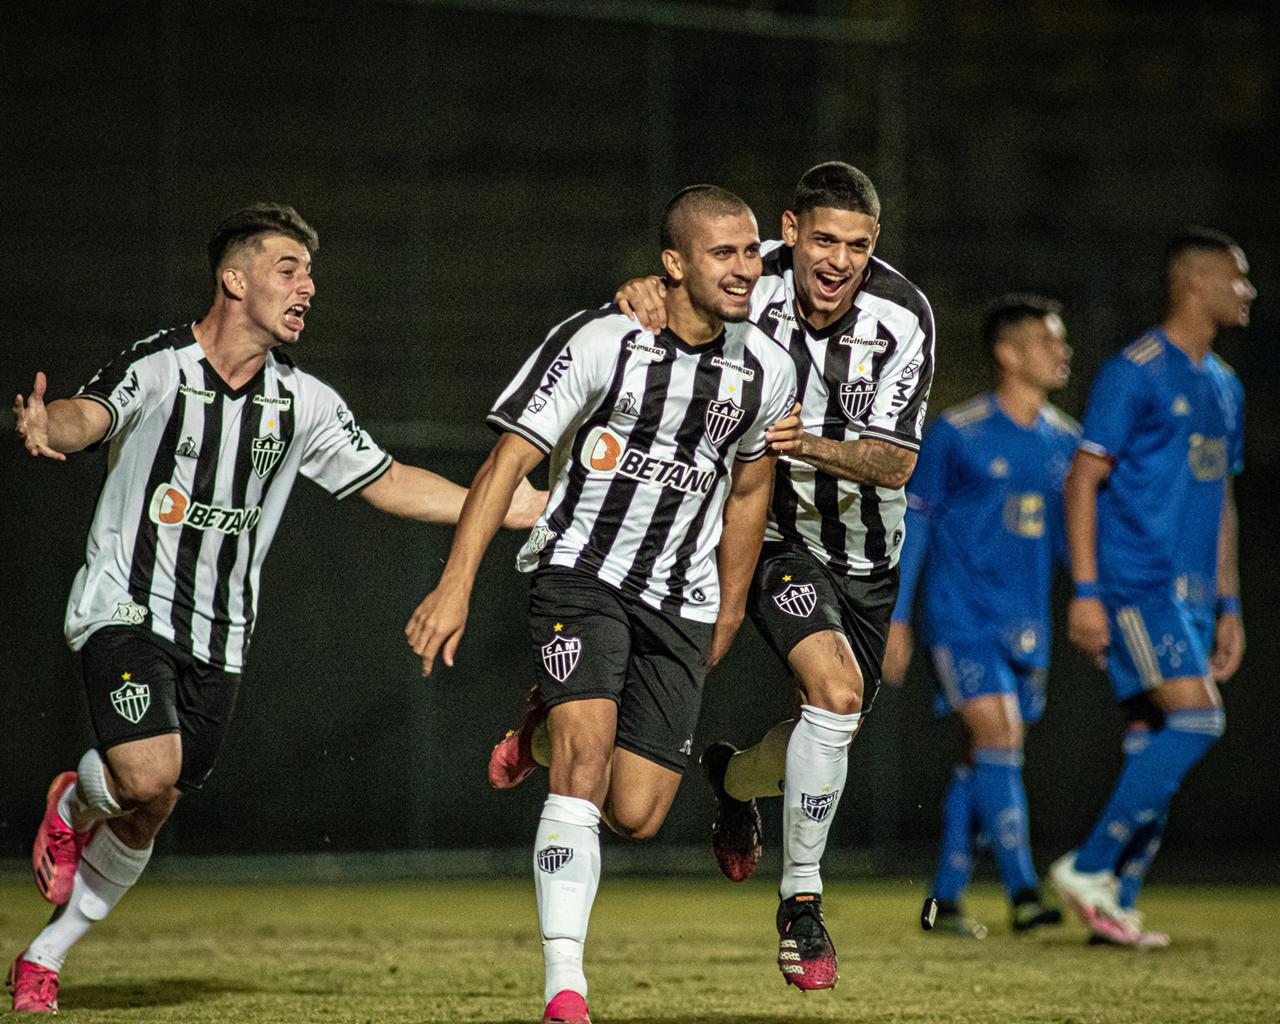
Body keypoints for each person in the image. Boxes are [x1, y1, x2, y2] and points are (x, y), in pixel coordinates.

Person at [6, 202, 544, 1015]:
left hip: (222, 639)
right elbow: (95, 412)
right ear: (235, 278)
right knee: (147, 771)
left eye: (310, 274)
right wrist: (56, 424)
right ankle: (77, 800)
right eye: (289, 269)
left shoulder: (306, 403)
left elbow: (391, 481)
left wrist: (502, 505)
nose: (308, 287)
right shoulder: (160, 365)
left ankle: (46, 953)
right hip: (126, 607)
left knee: (152, 810)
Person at [492, 162, 934, 991]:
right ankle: (801, 907)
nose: (839, 262)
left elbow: (897, 461)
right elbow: (673, 288)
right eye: (824, 240)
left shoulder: (902, 314)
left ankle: (729, 779)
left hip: (869, 554)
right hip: (765, 535)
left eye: (859, 246)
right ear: (791, 232)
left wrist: (806, 441)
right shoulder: (745, 272)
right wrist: (639, 291)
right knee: (835, 694)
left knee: (811, 734)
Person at [406, 185, 799, 1024]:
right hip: (581, 574)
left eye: (751, 251)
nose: (745, 268)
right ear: (673, 264)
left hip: (680, 599)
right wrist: (455, 583)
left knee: (636, 813)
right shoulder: (604, 341)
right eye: (723, 253)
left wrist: (728, 610)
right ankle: (564, 989)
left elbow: (750, 488)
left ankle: (534, 730)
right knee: (584, 766)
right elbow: (506, 464)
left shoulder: (766, 368)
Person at [1050, 228, 1251, 946]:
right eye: (1238, 278)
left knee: (1153, 738)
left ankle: (1115, 905)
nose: (1249, 292)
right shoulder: (1134, 371)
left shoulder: (1225, 385)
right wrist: (1087, 590)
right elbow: (1083, 479)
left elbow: (1221, 501)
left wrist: (1229, 604)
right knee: (1198, 721)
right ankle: (1092, 865)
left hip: (1196, 598)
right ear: (1195, 284)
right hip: (1140, 587)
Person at [882, 295, 1075, 938]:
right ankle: (1025, 894)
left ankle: (944, 901)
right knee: (1000, 735)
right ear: (1009, 353)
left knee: (980, 758)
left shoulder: (1067, 443)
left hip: (1029, 626)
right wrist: (900, 621)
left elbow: (1078, 542)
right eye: (1049, 342)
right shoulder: (958, 433)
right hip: (959, 616)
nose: (1063, 352)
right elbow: (918, 523)